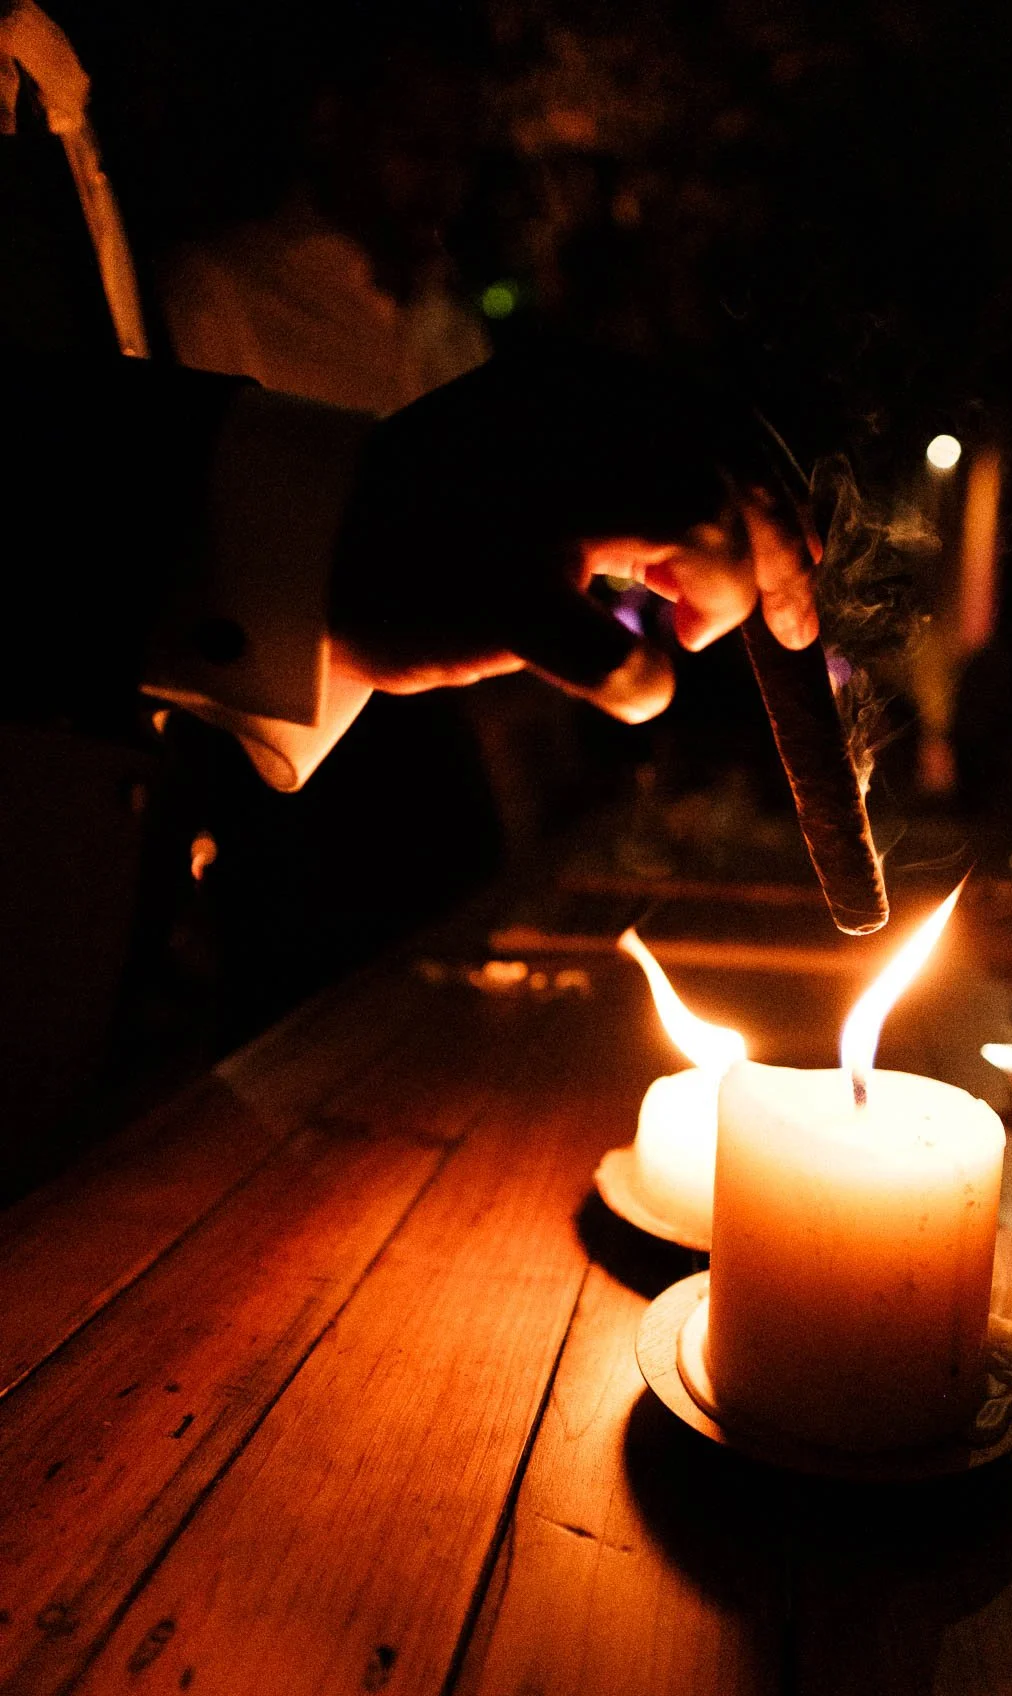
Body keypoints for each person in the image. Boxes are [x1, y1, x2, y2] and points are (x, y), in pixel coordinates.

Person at [0, 0, 820, 1196]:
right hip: (274, 777)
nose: (436, 180)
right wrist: (338, 522)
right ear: (331, 126)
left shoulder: (444, 320)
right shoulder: (225, 286)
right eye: (408, 143)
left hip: (414, 756)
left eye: (455, 152)